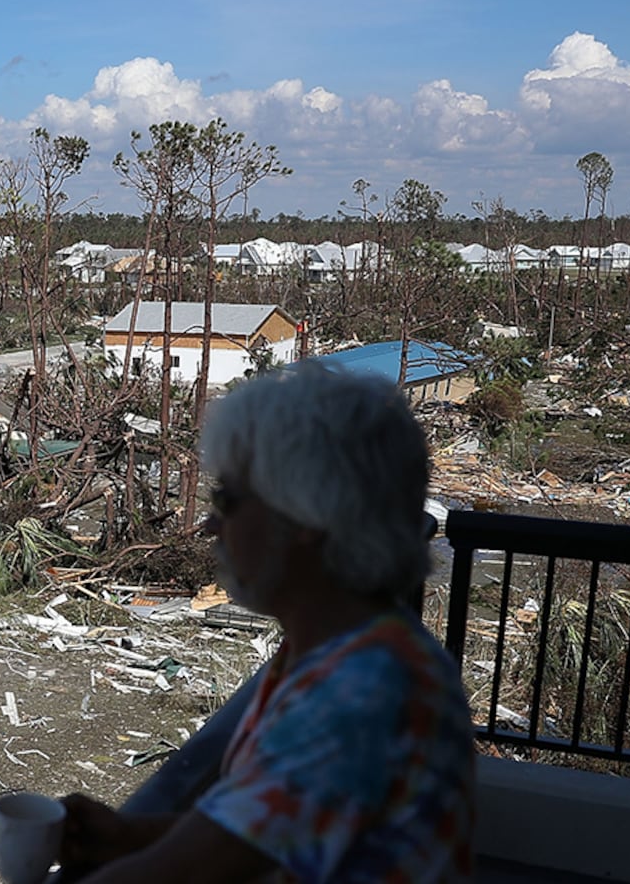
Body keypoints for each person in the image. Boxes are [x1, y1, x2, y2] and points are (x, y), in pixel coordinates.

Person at [58, 363, 474, 883]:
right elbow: (250, 838)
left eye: (228, 499)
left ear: (305, 516)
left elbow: (176, 873)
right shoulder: (343, 651)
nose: (211, 523)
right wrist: (125, 836)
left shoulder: (363, 691)